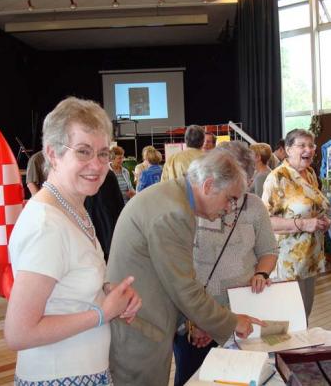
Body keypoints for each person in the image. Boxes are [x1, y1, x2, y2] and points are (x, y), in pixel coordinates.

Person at [4, 97, 142, 385]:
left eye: (103, 153)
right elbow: (18, 332)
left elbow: (67, 290)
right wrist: (103, 313)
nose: (97, 164)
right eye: (83, 152)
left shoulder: (73, 207)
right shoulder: (47, 224)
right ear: (52, 154)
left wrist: (108, 292)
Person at [106, 149, 264, 386]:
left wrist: (193, 322)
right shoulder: (174, 212)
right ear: (209, 185)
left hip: (143, 325)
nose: (231, 208)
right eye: (230, 199)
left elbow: (168, 279)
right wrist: (233, 322)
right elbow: (184, 287)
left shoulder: (173, 200)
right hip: (139, 332)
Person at [173, 141, 278, 385]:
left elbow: (269, 250)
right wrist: (196, 322)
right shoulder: (191, 206)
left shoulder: (254, 207)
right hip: (194, 317)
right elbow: (177, 268)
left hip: (242, 314)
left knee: (241, 377)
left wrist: (262, 273)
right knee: (191, 377)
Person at [262, 129, 331, 318]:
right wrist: (304, 224)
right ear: (287, 149)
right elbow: (265, 221)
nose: (308, 149)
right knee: (290, 320)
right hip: (288, 263)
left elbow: (310, 208)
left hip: (309, 259)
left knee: (304, 315)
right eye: (302, 145)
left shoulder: (309, 173)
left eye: (311, 145)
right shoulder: (277, 178)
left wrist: (322, 221)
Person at [85, 170, 125, 262]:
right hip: (109, 226)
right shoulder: (108, 174)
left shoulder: (81, 175)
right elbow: (119, 203)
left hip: (91, 225)